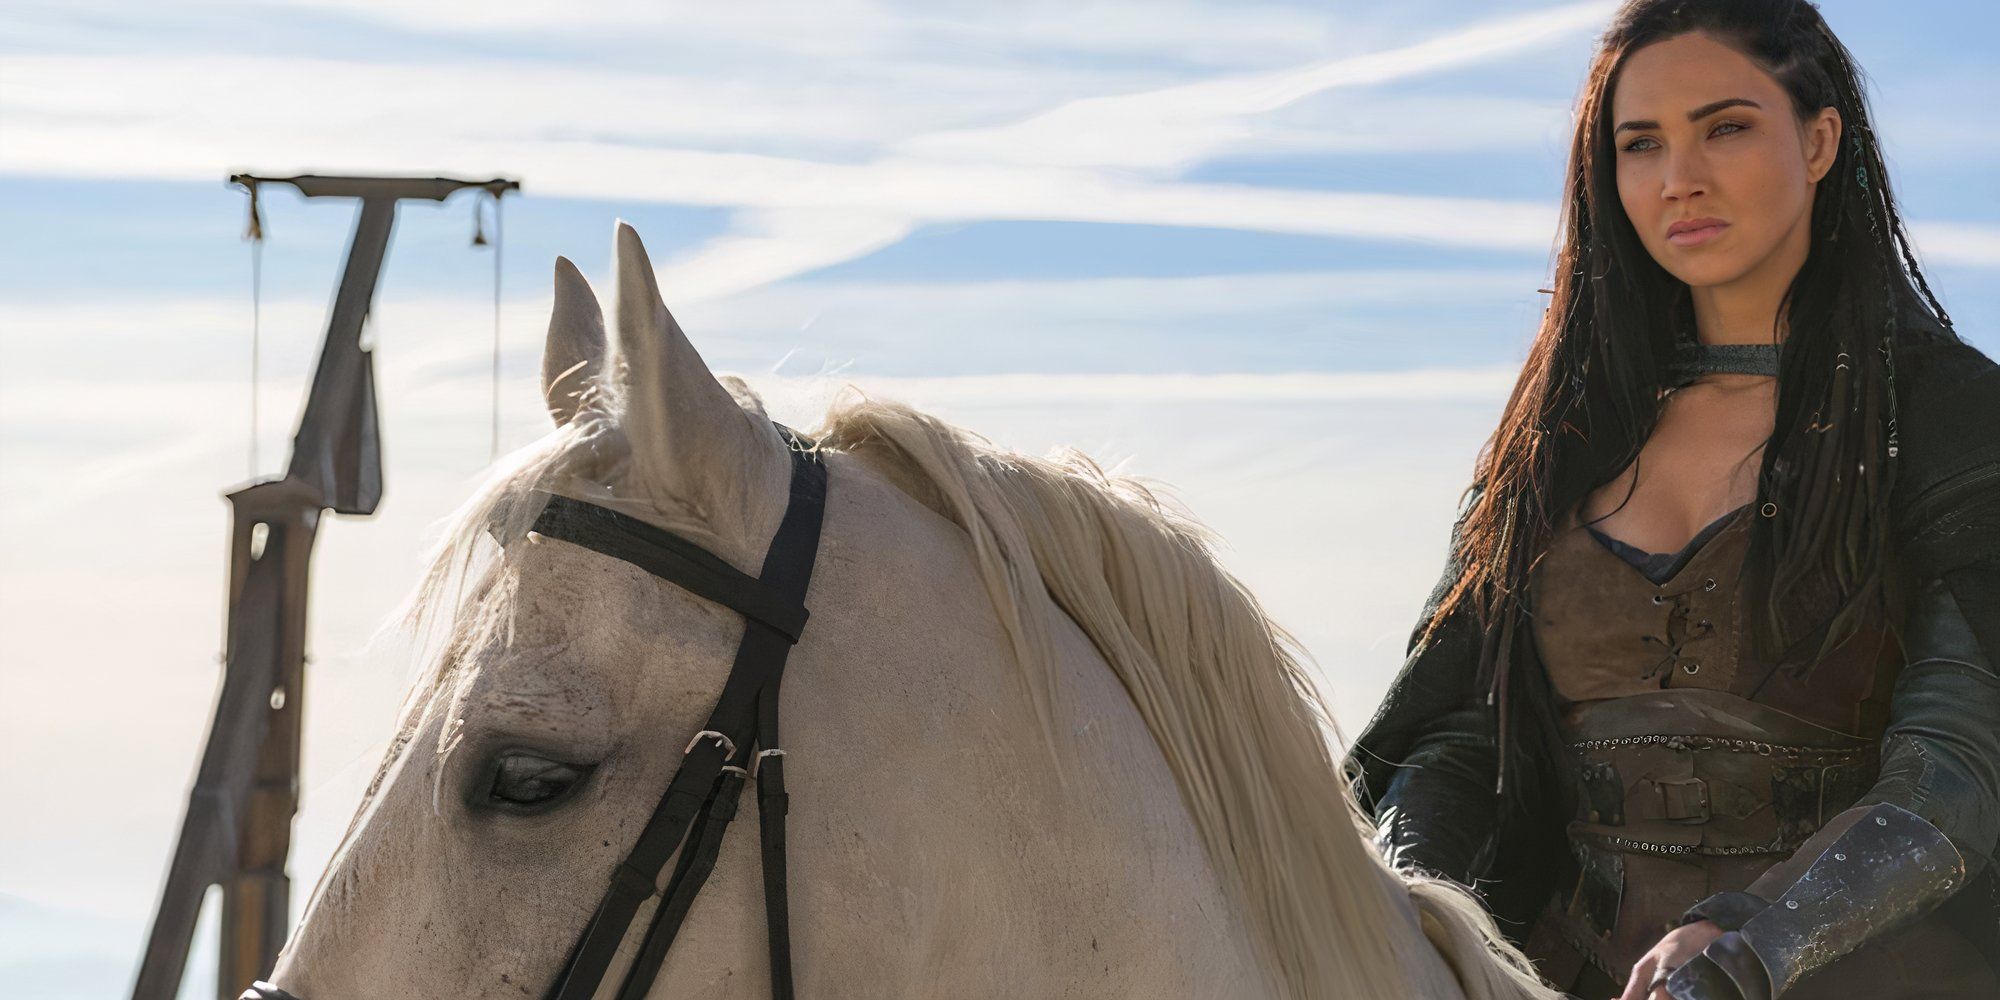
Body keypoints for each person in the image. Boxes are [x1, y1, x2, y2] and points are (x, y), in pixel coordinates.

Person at [1340, 2, 2000, 998]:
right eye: (1637, 143)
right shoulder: (1552, 442)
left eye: (1723, 127)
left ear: (1818, 140)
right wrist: (1410, 913)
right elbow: (1459, 736)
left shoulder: (1950, 416)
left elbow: (1953, 771)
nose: (1676, 178)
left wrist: (1745, 948)